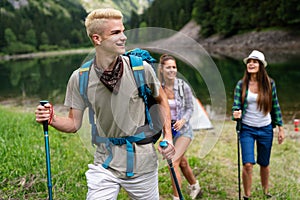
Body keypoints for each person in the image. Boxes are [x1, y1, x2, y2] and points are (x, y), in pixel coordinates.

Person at [35, 8, 175, 200]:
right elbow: (73, 124)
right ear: (97, 39)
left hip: (142, 162)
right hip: (105, 163)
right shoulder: (80, 78)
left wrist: (168, 136)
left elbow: (161, 99)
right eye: (116, 32)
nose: (124, 37)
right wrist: (51, 119)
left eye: (123, 31)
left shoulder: (140, 69)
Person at [232, 50, 285, 199]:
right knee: (248, 164)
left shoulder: (269, 83)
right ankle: (247, 196)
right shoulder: (241, 84)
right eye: (249, 61)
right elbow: (236, 106)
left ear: (261, 65)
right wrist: (236, 113)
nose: (251, 64)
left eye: (255, 62)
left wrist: (280, 128)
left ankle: (265, 192)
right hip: (247, 129)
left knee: (264, 163)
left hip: (266, 128)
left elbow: (275, 106)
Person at [158, 54, 202, 200]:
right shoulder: (159, 88)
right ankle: (195, 186)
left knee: (174, 162)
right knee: (182, 162)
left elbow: (190, 107)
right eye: (168, 67)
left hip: (184, 130)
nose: (172, 70)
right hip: (169, 132)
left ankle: (177, 198)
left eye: (174, 67)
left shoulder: (184, 86)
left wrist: (183, 120)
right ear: (162, 69)